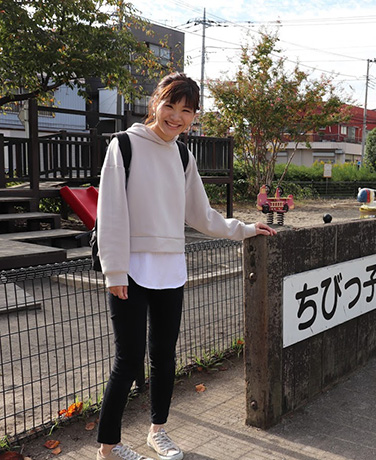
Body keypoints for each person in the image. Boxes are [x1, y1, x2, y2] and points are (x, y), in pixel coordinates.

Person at [95, 72, 276, 460]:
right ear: (155, 102)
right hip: (129, 269)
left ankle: (157, 431)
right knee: (128, 360)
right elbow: (109, 212)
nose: (176, 117)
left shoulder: (182, 154)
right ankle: (108, 446)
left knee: (165, 356)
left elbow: (200, 213)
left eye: (186, 111)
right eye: (170, 106)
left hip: (170, 267)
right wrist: (113, 270)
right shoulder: (124, 146)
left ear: (194, 116)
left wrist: (242, 229)